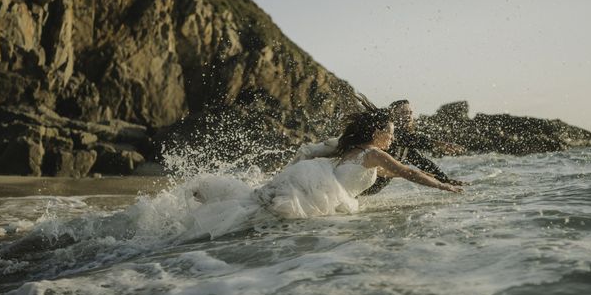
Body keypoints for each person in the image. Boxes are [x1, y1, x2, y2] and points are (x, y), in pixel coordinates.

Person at [186, 110, 461, 240]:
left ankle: (209, 222)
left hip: (314, 182)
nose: (392, 137)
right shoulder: (375, 154)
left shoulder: (352, 150)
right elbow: (406, 171)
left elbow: (405, 173)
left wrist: (438, 179)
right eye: (389, 132)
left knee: (255, 211)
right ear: (376, 133)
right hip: (323, 193)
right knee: (263, 219)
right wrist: (443, 188)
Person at [361, 100, 465, 195]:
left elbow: (423, 162)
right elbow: (410, 139)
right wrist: (437, 144)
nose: (408, 116)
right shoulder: (388, 138)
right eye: (403, 113)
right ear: (392, 116)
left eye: (410, 113)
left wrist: (444, 180)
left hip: (366, 190)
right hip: (361, 183)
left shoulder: (405, 145)